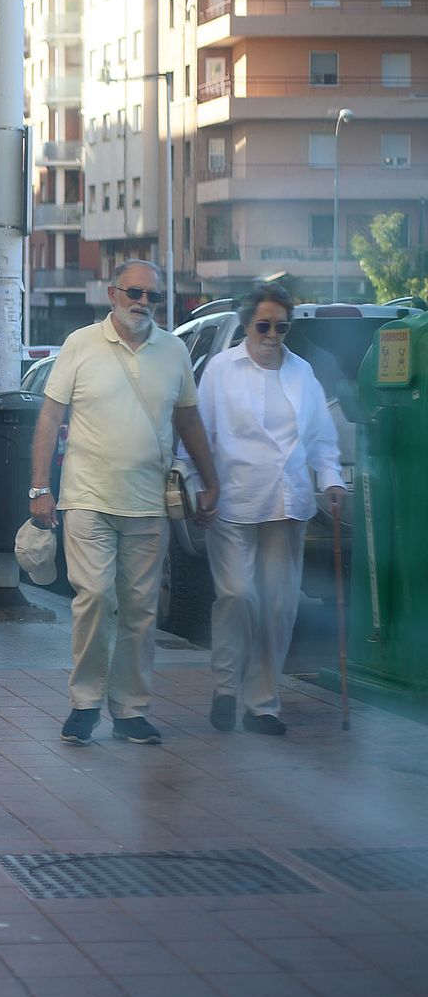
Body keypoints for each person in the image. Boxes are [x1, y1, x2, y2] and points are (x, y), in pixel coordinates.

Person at [29, 260, 220, 746]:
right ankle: (85, 703)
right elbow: (49, 419)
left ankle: (131, 709)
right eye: (134, 292)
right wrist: (39, 488)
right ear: (112, 293)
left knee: (139, 609)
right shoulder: (80, 344)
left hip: (149, 503)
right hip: (87, 497)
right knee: (95, 597)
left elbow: (190, 422)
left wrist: (211, 479)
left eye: (152, 296)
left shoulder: (173, 350)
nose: (142, 302)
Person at [191, 282, 344, 736]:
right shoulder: (221, 369)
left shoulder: (302, 373)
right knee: (238, 595)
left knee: (279, 606)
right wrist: (199, 484)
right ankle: (224, 686)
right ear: (246, 325)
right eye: (264, 325)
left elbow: (320, 439)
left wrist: (331, 479)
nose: (273, 334)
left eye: (282, 326)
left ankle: (262, 704)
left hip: (288, 501)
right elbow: (199, 434)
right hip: (233, 500)